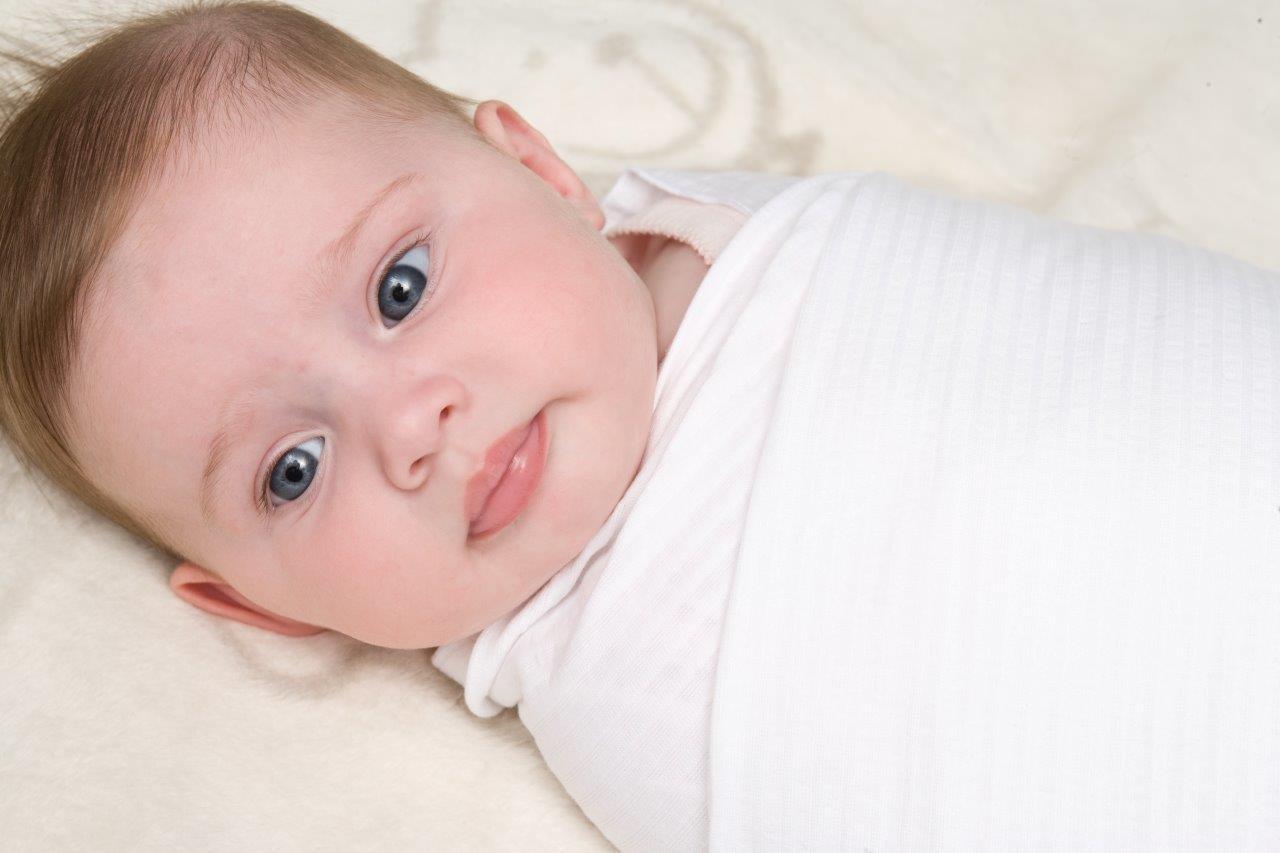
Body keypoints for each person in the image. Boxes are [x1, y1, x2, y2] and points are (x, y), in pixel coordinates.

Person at [3, 2, 1277, 850]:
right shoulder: (595, 696)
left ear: (536, 170)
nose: (410, 423)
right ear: (262, 605)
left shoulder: (771, 263)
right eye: (293, 468)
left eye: (401, 288)